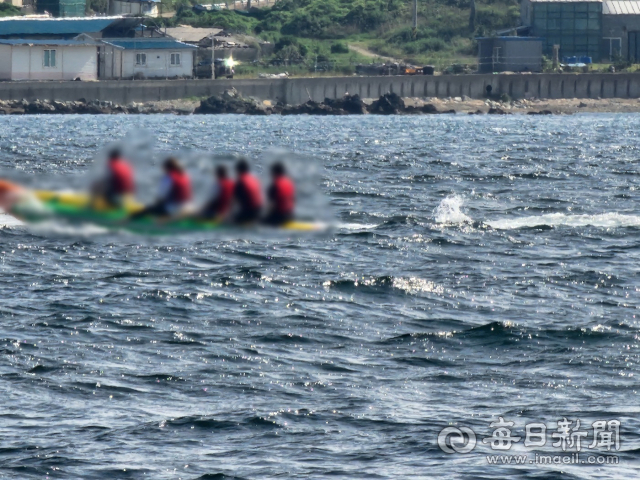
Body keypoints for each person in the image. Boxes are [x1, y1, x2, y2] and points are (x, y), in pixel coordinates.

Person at [233, 159, 263, 224]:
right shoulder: (253, 179)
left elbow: (233, 199)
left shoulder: (241, 181)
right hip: (259, 210)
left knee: (231, 219)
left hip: (249, 213)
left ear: (239, 170)